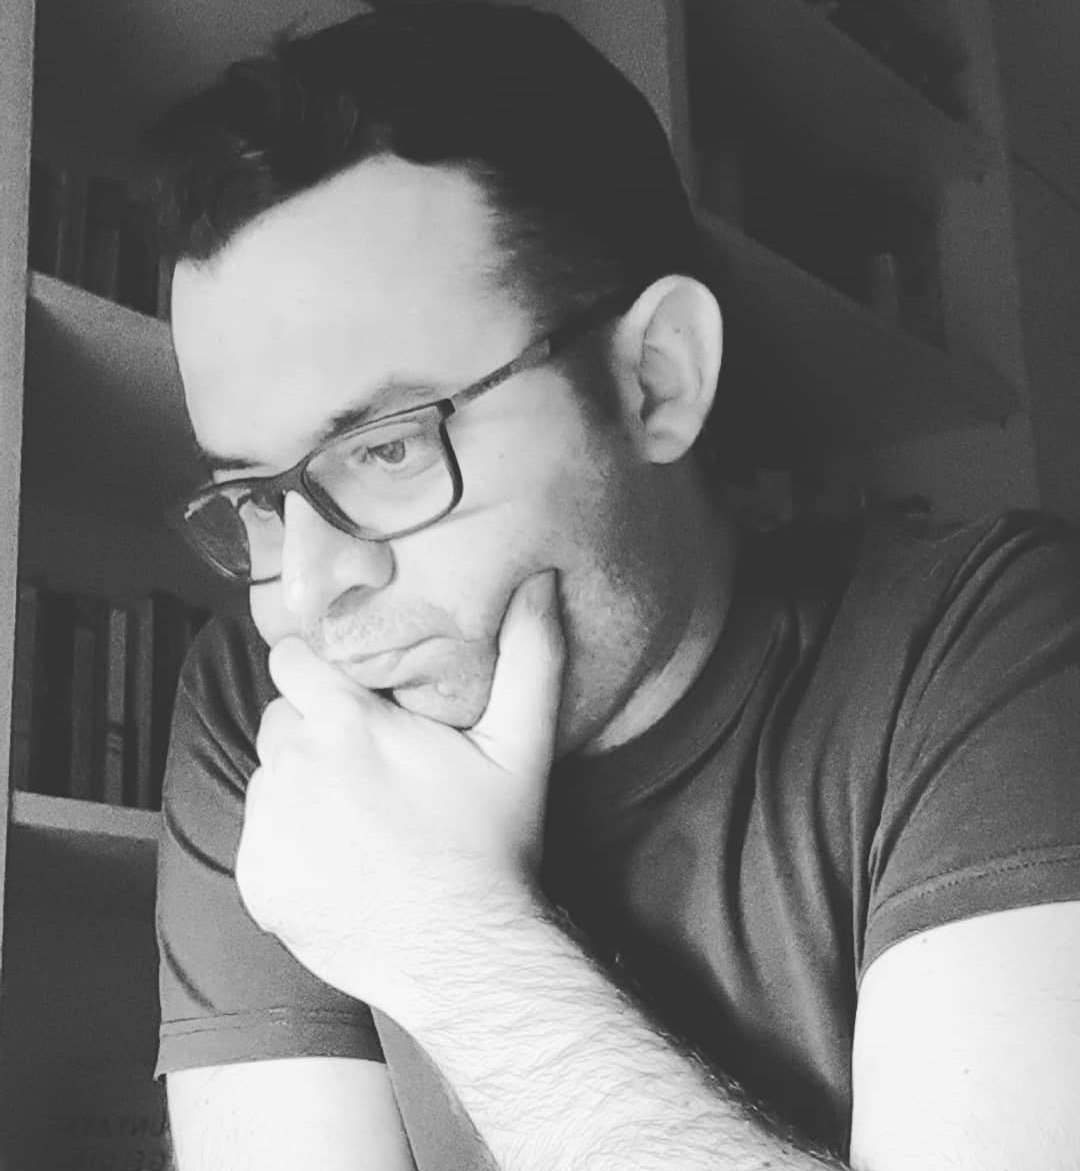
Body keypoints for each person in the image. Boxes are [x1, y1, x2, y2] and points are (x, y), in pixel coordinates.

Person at [149, 3, 1080, 1168]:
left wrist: (447, 940)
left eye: (387, 448)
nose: (307, 592)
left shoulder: (986, 642)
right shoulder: (268, 715)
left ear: (656, 379)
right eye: (254, 497)